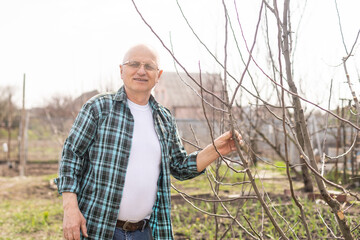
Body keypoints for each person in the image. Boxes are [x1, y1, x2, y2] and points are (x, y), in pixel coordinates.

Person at [55, 44, 243, 240]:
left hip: (146, 232)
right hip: (98, 228)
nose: (141, 71)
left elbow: (179, 167)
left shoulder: (164, 118)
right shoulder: (99, 108)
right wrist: (70, 208)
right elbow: (71, 155)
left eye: (149, 66)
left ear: (158, 74)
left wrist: (215, 150)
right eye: (134, 64)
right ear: (121, 70)